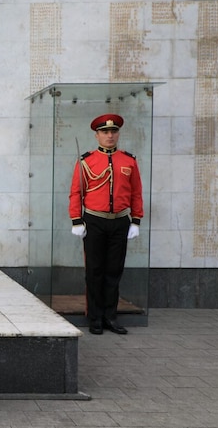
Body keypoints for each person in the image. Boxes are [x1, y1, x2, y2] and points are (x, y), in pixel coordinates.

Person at [69, 114, 143, 335]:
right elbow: (75, 192)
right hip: (94, 221)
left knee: (114, 271)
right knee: (95, 271)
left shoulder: (129, 161)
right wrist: (76, 219)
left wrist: (136, 220)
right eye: (105, 132)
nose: (109, 136)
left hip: (120, 222)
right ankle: (95, 318)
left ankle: (111, 317)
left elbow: (136, 193)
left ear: (118, 134)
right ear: (97, 135)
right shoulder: (86, 161)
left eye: (113, 132)